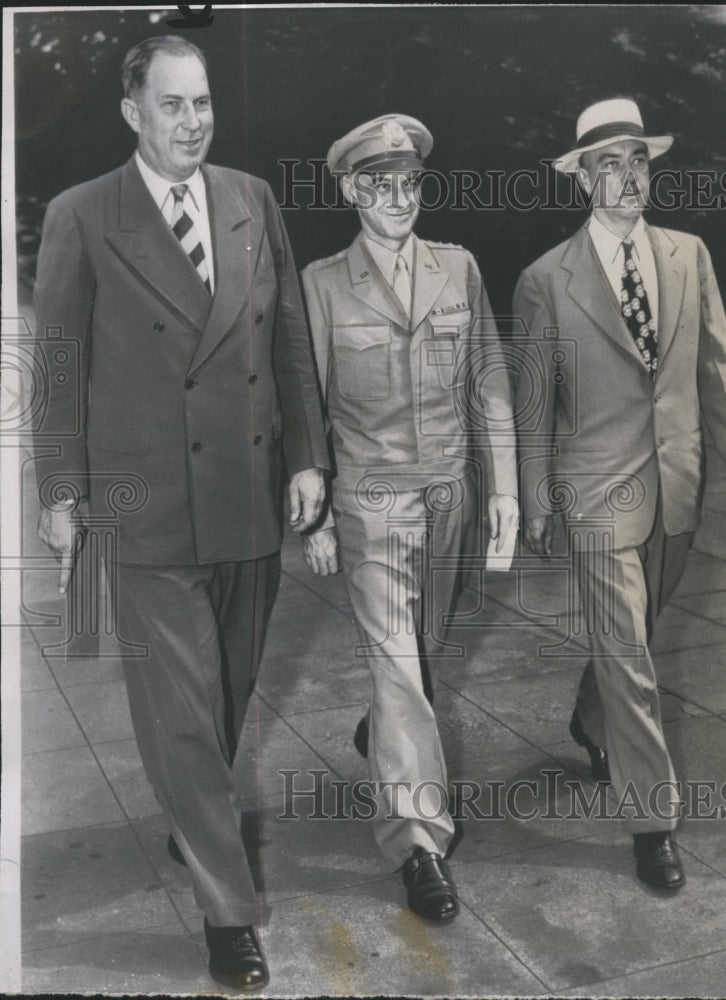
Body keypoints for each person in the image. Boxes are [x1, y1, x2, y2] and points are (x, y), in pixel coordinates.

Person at [33, 35, 328, 991]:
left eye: (202, 103)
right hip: (144, 505)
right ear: (133, 112)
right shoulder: (84, 214)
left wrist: (308, 457)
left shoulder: (251, 199)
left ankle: (191, 811)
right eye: (172, 105)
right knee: (184, 715)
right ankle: (227, 913)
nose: (193, 122)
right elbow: (59, 367)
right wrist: (60, 491)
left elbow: (289, 340)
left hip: (247, 494)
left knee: (225, 696)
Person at [513, 98, 726, 890]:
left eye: (637, 161)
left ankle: (591, 717)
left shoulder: (688, 255)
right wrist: (534, 496)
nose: (626, 177)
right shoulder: (545, 281)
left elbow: (716, 364)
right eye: (608, 164)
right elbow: (532, 403)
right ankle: (652, 824)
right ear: (581, 177)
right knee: (628, 656)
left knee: (635, 638)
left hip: (678, 481)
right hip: (595, 493)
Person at [299, 114, 518, 922]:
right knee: (396, 662)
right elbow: (307, 406)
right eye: (378, 183)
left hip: (451, 496)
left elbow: (489, 382)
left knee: (418, 655)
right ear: (351, 190)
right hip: (371, 502)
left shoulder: (457, 268)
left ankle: (384, 730)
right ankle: (417, 842)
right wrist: (316, 518)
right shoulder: (322, 284)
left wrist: (505, 491)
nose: (397, 197)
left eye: (409, 182)